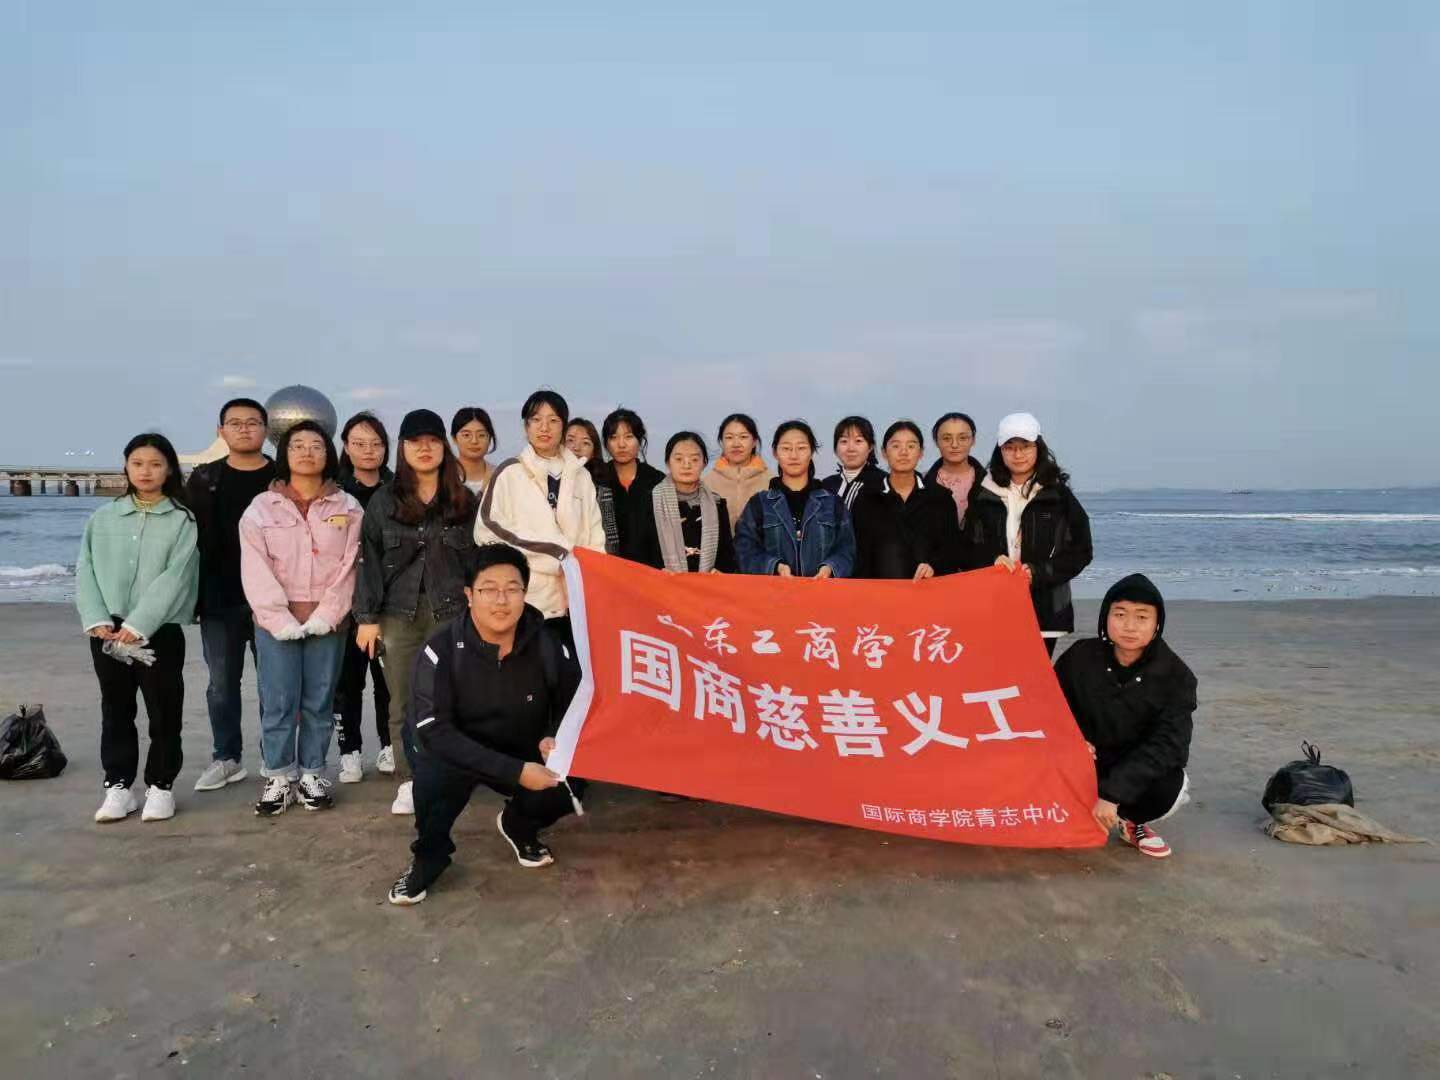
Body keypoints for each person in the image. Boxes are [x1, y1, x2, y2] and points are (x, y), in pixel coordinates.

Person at [388, 544, 584, 906]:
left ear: (525, 593)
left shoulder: (547, 643)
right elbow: (434, 731)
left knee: (571, 778)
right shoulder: (440, 649)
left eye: (512, 589)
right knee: (432, 782)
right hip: (456, 750)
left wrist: (554, 735)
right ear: (469, 594)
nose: (501, 600)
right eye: (488, 589)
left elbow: (574, 701)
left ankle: (519, 824)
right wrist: (516, 771)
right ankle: (429, 857)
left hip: (521, 742)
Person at [353, 409, 478, 817]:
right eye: (415, 442)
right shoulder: (383, 501)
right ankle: (411, 779)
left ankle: (450, 773)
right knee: (404, 701)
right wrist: (367, 619)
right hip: (397, 615)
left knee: (451, 698)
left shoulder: (463, 500)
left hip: (452, 612)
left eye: (433, 441)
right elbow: (368, 561)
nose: (425, 449)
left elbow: (477, 560)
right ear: (403, 449)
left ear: (444, 447)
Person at [240, 421, 363, 816]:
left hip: (329, 622)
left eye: (316, 445)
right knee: (278, 700)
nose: (307, 452)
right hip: (275, 623)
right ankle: (278, 777)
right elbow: (254, 566)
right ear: (285, 454)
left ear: (328, 454)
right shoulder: (261, 508)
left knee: (319, 700)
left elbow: (351, 564)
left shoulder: (348, 507)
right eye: (298, 445)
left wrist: (328, 614)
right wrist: (277, 618)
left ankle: (312, 773)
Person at [76, 434, 200, 824]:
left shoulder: (181, 520)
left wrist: (139, 624)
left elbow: (177, 576)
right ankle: (118, 786)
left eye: (156, 464)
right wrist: (96, 618)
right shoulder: (104, 517)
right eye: (138, 463)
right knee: (116, 709)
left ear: (170, 469)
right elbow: (85, 569)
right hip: (107, 631)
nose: (146, 471)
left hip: (158, 630)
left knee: (164, 709)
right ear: (126, 467)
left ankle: (161, 786)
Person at [1054, 574, 1196, 859]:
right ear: (1106, 617)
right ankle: (1069, 814)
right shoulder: (1080, 656)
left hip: (1131, 764)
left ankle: (1131, 822)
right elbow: (1049, 705)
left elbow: (1171, 745)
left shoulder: (1176, 675)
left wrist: (1114, 793)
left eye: (1142, 617)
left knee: (1170, 785)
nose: (1130, 626)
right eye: (1120, 614)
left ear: (1157, 624)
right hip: (1084, 756)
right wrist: (1071, 739)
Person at [186, 398, 276, 794]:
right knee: (221, 684)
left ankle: (275, 758)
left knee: (274, 684)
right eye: (235, 423)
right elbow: (186, 540)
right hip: (219, 598)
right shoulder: (204, 478)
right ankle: (227, 757)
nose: (244, 429)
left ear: (266, 430)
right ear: (221, 431)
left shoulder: (282, 476)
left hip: (273, 601)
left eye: (252, 422)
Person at [474, 390, 607, 652]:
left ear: (563, 426)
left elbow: (595, 537)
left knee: (572, 673)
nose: (544, 427)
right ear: (526, 427)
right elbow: (486, 531)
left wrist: (587, 583)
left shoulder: (581, 476)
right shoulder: (510, 472)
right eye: (536, 420)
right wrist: (559, 558)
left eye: (553, 420)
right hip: (527, 602)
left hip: (575, 604)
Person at [958, 412, 1093, 656]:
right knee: (996, 672)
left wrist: (1038, 572)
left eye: (1025, 446)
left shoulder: (1058, 495)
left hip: (1045, 610)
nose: (1018, 454)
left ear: (1038, 447)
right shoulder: (983, 493)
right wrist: (991, 561)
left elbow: (1081, 551)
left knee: (1035, 674)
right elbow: (966, 547)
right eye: (1010, 447)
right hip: (992, 606)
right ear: (1000, 450)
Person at [332, 412, 394, 783]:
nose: (368, 450)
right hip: (344, 602)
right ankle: (349, 751)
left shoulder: (398, 489)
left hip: (389, 601)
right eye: (359, 443)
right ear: (345, 446)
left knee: (388, 680)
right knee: (347, 682)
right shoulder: (334, 491)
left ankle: (389, 744)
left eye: (376, 443)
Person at [735, 420, 855, 578]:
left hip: (821, 591)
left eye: (801, 448)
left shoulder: (833, 504)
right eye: (786, 448)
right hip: (773, 592)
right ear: (775, 453)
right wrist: (774, 566)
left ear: (811, 452)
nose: (793, 455)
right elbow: (744, 551)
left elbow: (847, 550)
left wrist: (830, 567)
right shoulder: (759, 504)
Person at [852, 421, 963, 580]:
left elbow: (952, 551)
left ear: (921, 452)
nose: (904, 452)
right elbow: (859, 555)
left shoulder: (941, 498)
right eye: (896, 446)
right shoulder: (867, 498)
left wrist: (934, 567)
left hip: (929, 589)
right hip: (880, 592)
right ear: (884, 452)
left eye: (911, 446)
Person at [627, 431, 737, 573]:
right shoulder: (648, 502)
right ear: (668, 462)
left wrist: (721, 572)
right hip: (659, 585)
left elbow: (727, 557)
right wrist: (656, 573)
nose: (686, 465)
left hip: (706, 585)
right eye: (679, 459)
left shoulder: (717, 504)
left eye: (694, 459)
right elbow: (636, 554)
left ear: (704, 463)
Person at [598, 407, 664, 559]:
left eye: (628, 437)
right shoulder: (597, 480)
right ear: (606, 443)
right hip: (607, 566)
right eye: (614, 437)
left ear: (639, 440)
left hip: (651, 568)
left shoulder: (657, 481)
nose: (621, 444)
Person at [702, 413, 774, 532]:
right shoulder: (706, 483)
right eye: (729, 437)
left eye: (743, 437)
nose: (736, 444)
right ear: (721, 442)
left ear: (754, 441)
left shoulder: (772, 481)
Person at [566, 417, 621, 554]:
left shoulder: (601, 491)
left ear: (593, 453)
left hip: (588, 559)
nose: (576, 448)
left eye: (585, 443)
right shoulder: (544, 480)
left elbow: (610, 540)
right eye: (570, 440)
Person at [923, 411, 987, 528]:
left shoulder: (991, 482)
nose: (954, 445)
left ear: (973, 440)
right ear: (936, 441)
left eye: (962, 438)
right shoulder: (921, 484)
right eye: (946, 438)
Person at [821, 415, 886, 513]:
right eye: (844, 441)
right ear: (836, 448)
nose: (851, 448)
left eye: (858, 441)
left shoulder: (883, 483)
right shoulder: (827, 485)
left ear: (870, 447)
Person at [451, 406, 497, 496]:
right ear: (454, 439)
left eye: (481, 435)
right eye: (466, 435)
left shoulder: (500, 476)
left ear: (490, 439)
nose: (474, 441)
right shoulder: (442, 476)